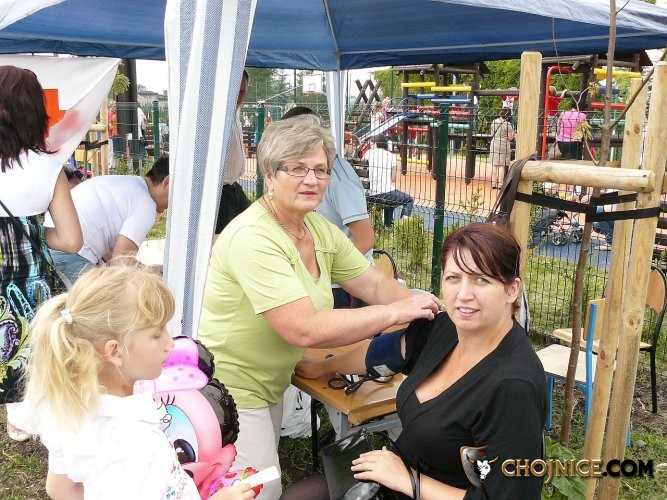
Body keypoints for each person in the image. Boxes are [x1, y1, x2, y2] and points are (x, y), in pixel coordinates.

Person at [198, 114, 442, 499]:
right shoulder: (253, 237)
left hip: (268, 380)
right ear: (269, 174)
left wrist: (422, 306)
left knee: (254, 480)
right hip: (231, 386)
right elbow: (304, 328)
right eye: (297, 168)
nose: (311, 180)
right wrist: (397, 313)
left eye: (320, 169)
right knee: (257, 490)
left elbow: (373, 282)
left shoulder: (316, 229)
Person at [286, 222, 547, 500]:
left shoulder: (513, 386)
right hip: (395, 475)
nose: (464, 294)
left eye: (481, 280)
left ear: (511, 290)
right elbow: (381, 353)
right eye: (454, 278)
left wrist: (408, 480)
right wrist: (323, 366)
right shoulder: (445, 328)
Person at [14, 265, 254, 500]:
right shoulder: (131, 442)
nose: (170, 342)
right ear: (115, 351)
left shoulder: (69, 409)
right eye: (157, 334)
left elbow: (60, 490)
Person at [0, 65, 83, 441]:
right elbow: (71, 241)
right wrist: (30, 231)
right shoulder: (48, 170)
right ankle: (25, 417)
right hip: (32, 288)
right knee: (33, 351)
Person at [280, 106, 375, 308]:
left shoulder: (339, 180)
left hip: (344, 287)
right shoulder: (306, 174)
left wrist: (327, 272)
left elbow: (366, 239)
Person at [46, 155, 170, 283]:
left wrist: (150, 270)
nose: (171, 207)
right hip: (73, 254)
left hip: (52, 246)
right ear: (166, 182)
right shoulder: (146, 203)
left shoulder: (128, 185)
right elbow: (121, 264)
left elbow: (112, 256)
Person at [214, 69, 252, 237]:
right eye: (235, 91)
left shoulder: (236, 112)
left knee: (253, 224)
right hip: (218, 191)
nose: (238, 96)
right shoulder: (216, 115)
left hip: (233, 186)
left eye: (242, 92)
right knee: (221, 238)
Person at [363, 134, 414, 228]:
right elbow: (393, 179)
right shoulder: (391, 156)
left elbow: (362, 171)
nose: (370, 146)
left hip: (369, 195)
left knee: (390, 193)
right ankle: (401, 225)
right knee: (408, 200)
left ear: (376, 144)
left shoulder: (368, 153)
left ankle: (388, 224)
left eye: (371, 144)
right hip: (385, 194)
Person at [489, 108, 515, 189]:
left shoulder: (494, 122)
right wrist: (514, 134)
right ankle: (500, 184)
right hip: (503, 145)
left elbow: (492, 133)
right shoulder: (508, 125)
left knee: (494, 164)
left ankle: (493, 183)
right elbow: (510, 137)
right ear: (508, 116)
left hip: (494, 143)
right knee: (501, 165)